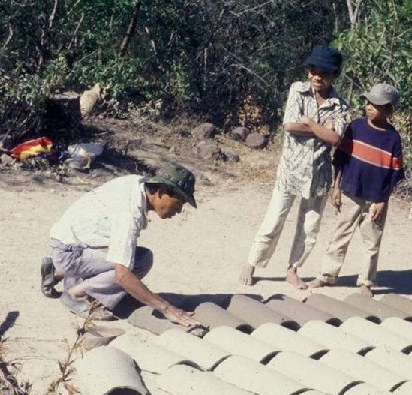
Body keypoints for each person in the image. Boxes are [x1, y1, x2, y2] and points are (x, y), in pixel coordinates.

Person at [238, 45, 348, 290]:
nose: (317, 77)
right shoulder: (298, 90)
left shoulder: (340, 105)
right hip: (290, 169)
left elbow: (337, 139)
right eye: (313, 71)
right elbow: (289, 125)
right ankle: (252, 262)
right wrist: (321, 128)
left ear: (335, 74)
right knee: (274, 219)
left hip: (318, 174)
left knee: (309, 227)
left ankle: (293, 269)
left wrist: (308, 122)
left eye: (324, 73)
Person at [41, 163, 203, 327]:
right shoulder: (128, 215)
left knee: (129, 256)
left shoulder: (137, 183)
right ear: (161, 192)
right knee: (140, 261)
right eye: (177, 204)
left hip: (69, 242)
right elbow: (122, 275)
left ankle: (57, 272)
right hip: (70, 252)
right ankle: (77, 295)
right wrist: (167, 309)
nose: (179, 211)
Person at [309, 83, 404, 297]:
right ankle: (326, 275)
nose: (369, 107)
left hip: (375, 198)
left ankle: (366, 281)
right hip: (350, 192)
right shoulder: (356, 127)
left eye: (376, 105)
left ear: (388, 110)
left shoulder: (392, 139)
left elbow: (395, 173)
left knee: (372, 241)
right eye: (368, 103)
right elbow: (340, 158)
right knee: (340, 235)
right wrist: (336, 187)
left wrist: (382, 200)